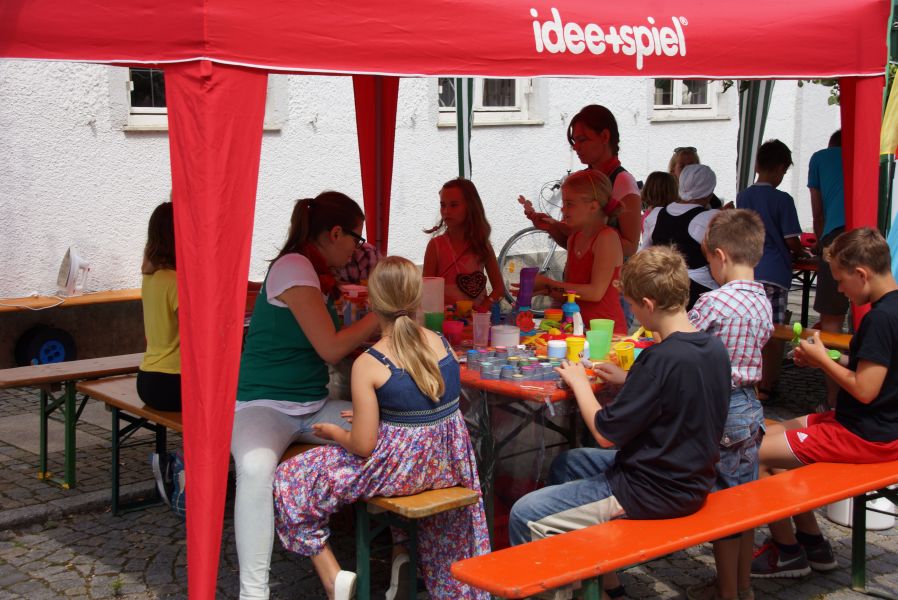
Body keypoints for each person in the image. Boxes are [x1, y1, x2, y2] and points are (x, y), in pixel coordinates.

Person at [509, 245, 730, 598]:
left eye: (632, 306)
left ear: (648, 304)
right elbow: (678, 393)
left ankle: (554, 590)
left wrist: (581, 384)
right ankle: (600, 581)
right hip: (690, 477)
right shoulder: (713, 349)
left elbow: (605, 433)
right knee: (568, 463)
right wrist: (630, 380)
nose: (633, 314)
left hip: (651, 490)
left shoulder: (658, 359)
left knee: (524, 513)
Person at [273, 256, 490, 600]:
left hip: (402, 472)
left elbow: (363, 446)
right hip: (448, 467)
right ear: (417, 299)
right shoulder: (442, 343)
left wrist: (334, 434)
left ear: (372, 304)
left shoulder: (369, 362)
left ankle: (332, 578)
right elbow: (421, 408)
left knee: (290, 477)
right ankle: (405, 556)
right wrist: (379, 421)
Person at [232, 191, 380, 600]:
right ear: (335, 233)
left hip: (313, 406)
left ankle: (391, 547)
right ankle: (253, 594)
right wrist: (380, 315)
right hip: (264, 406)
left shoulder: (311, 270)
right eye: (357, 238)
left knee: (390, 431)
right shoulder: (295, 267)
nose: (358, 248)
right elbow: (330, 348)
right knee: (255, 470)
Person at [750, 227, 898, 579]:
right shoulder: (891, 309)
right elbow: (877, 370)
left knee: (753, 454)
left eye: (841, 281)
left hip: (865, 435)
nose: (841, 290)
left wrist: (823, 361)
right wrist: (827, 360)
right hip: (873, 426)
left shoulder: (879, 319)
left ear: (861, 273)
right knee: (771, 430)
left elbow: (865, 389)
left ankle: (787, 551)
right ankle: (813, 542)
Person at [686, 210, 773, 600]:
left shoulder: (714, 302)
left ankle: (727, 593)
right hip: (751, 407)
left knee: (723, 505)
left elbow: (681, 340)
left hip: (722, 406)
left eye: (708, 261)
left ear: (719, 256)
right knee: (745, 501)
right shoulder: (763, 300)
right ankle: (741, 584)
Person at [518, 104, 642, 257]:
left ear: (605, 136)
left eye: (582, 140)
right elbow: (574, 243)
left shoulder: (622, 181)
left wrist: (587, 232)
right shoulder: (583, 179)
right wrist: (552, 227)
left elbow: (630, 247)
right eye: (574, 141)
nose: (576, 147)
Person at [736, 140, 807, 402]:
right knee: (774, 331)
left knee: (749, 329)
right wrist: (802, 253)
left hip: (749, 270)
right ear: (779, 168)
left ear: (757, 165)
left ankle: (749, 379)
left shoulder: (743, 196)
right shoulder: (783, 200)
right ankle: (767, 385)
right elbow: (791, 240)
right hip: (776, 273)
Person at [527, 169, 627, 334]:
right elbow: (572, 293)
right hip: (577, 330)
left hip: (606, 334)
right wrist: (545, 290)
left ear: (593, 206)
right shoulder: (574, 238)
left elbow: (595, 292)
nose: (563, 209)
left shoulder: (606, 237)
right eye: (564, 203)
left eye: (569, 204)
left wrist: (547, 283)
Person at [137, 201, 184, 508]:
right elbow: (197, 338)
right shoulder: (177, 281)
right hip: (174, 381)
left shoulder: (151, 277)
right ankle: (182, 468)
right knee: (236, 400)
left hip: (148, 379)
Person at [641, 164, 720, 309]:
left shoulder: (656, 215)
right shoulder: (709, 219)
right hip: (698, 294)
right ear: (709, 194)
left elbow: (643, 254)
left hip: (662, 288)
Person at [808, 130, 848, 410]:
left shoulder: (820, 158)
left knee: (832, 323)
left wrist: (821, 244)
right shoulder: (873, 157)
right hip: (869, 234)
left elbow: (817, 210)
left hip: (835, 237)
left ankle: (833, 401)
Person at [423, 177, 505, 310]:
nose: (446, 211)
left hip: (477, 319)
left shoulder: (482, 245)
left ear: (470, 207)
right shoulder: (435, 246)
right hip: (445, 319)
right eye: (443, 205)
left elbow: (499, 289)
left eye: (454, 205)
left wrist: (485, 305)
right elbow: (427, 291)